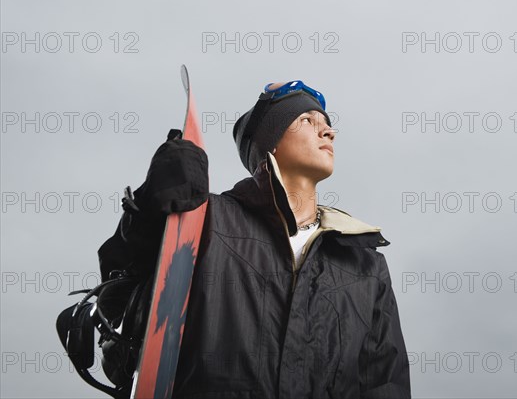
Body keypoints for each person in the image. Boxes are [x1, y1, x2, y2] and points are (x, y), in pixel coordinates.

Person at [97, 80, 411, 398]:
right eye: (307, 121)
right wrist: (150, 209)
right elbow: (118, 301)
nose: (328, 132)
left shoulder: (364, 264)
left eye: (328, 125)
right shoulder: (208, 221)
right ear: (269, 142)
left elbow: (385, 382)